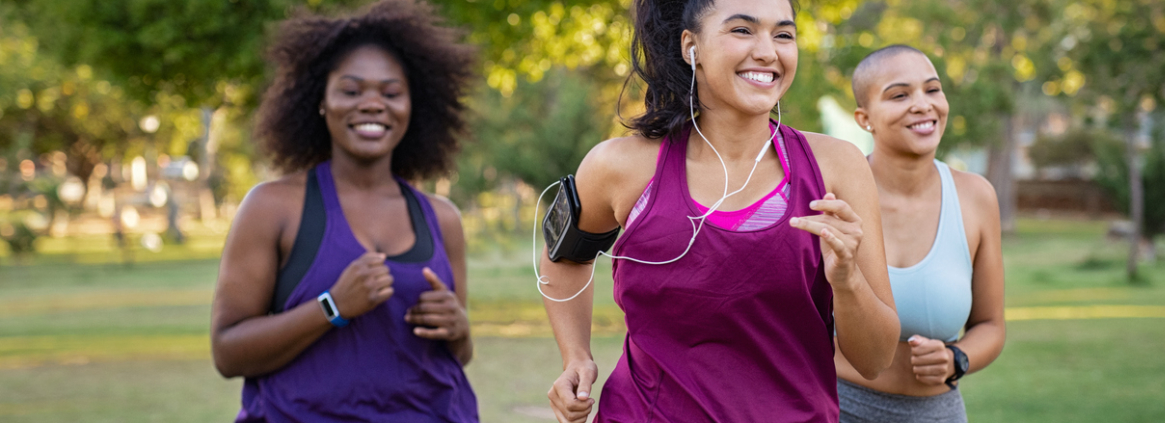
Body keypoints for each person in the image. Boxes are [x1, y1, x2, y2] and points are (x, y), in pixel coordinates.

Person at [539, 0, 900, 421]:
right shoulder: (620, 167)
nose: (768, 51)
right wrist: (575, 356)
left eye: (783, 34)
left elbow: (875, 359)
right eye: (743, 31)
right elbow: (564, 256)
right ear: (691, 46)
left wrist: (848, 279)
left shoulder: (837, 167)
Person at [208, 1, 479, 421]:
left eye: (391, 93)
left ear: (413, 106)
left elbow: (458, 356)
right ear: (319, 101)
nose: (373, 104)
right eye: (351, 90)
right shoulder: (272, 207)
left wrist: (459, 328)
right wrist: (331, 307)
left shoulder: (441, 218)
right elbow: (228, 353)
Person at [836, 45, 1006, 423]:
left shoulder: (976, 197)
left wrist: (956, 358)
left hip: (938, 413)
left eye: (932, 90)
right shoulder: (832, 195)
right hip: (837, 407)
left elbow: (991, 325)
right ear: (865, 118)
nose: (923, 104)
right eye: (899, 95)